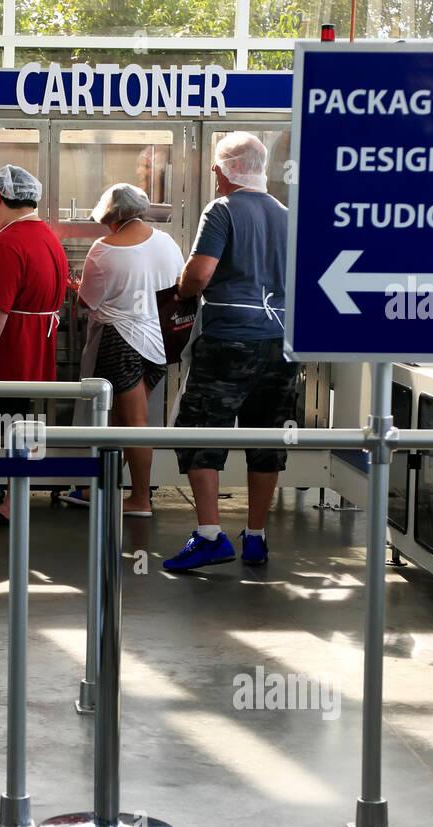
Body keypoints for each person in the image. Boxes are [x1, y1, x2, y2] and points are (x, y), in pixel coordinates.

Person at [163, 131, 299, 572]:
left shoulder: (222, 210)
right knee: (266, 437)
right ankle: (256, 537)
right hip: (280, 344)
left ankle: (209, 536)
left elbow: (199, 274)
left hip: (229, 342)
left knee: (200, 430)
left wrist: (182, 290)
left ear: (223, 172)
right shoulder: (284, 214)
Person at [64, 183, 183, 517]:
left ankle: (140, 499)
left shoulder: (105, 250)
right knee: (123, 420)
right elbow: (178, 285)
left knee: (133, 423)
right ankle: (103, 485)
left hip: (121, 341)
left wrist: (78, 288)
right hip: (161, 343)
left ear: (112, 216)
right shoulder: (167, 242)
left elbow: (87, 300)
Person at [0, 164, 68, 526]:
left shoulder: (8, 242)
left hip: (8, 347)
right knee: (9, 421)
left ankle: (2, 502)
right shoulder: (48, 236)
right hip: (35, 343)